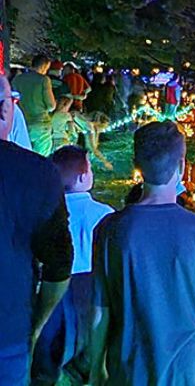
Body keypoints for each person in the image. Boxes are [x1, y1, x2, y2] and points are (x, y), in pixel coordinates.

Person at [89, 121, 195, 385]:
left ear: (136, 165)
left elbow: (100, 309)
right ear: (182, 165)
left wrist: (96, 367)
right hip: (185, 370)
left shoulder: (110, 230)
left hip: (130, 368)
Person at [0, 75, 74, 384]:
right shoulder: (36, 174)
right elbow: (58, 262)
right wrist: (36, 324)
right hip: (8, 333)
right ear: (6, 110)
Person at [31, 147, 114, 386]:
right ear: (83, 176)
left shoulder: (44, 214)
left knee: (50, 363)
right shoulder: (105, 215)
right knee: (90, 359)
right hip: (92, 298)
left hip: (54, 298)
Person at [12, 54, 57, 156]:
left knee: (22, 156)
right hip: (40, 124)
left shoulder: (17, 80)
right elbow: (51, 106)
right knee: (40, 159)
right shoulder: (44, 80)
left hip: (22, 124)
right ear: (43, 66)